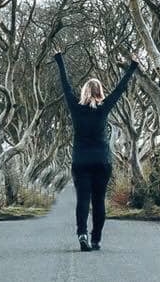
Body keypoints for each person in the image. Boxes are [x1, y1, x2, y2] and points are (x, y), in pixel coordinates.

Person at [53, 46, 138, 252]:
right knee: (98, 201)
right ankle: (96, 238)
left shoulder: (76, 107)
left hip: (81, 162)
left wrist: (59, 60)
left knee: (83, 200)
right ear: (100, 92)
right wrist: (133, 66)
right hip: (102, 162)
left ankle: (82, 233)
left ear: (83, 92)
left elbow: (66, 87)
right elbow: (120, 88)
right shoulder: (104, 107)